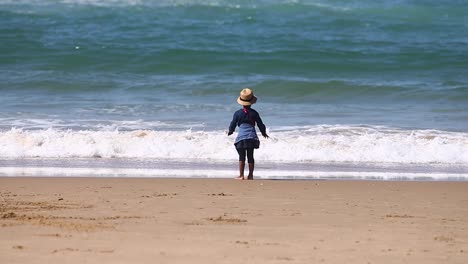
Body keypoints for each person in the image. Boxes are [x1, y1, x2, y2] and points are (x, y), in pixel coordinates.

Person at [228, 88, 269, 180]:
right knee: (250, 156)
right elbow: (260, 124)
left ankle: (241, 175)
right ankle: (250, 175)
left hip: (241, 138)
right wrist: (263, 133)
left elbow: (233, 123)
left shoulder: (237, 113)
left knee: (241, 156)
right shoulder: (254, 113)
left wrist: (230, 131)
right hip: (251, 137)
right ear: (251, 102)